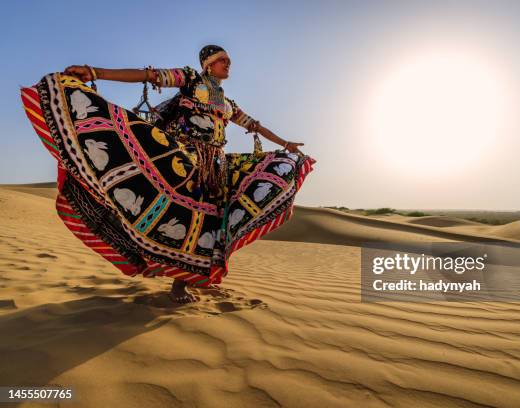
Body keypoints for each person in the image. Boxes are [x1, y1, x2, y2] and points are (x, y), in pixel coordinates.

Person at [20, 44, 315, 304]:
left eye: (229, 61)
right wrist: (95, 72)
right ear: (208, 63)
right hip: (181, 158)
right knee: (184, 217)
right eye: (224, 60)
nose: (229, 65)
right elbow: (148, 76)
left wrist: (285, 144)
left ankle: (181, 280)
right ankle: (170, 276)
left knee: (211, 221)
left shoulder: (227, 103)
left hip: (216, 166)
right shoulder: (189, 79)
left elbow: (254, 125)